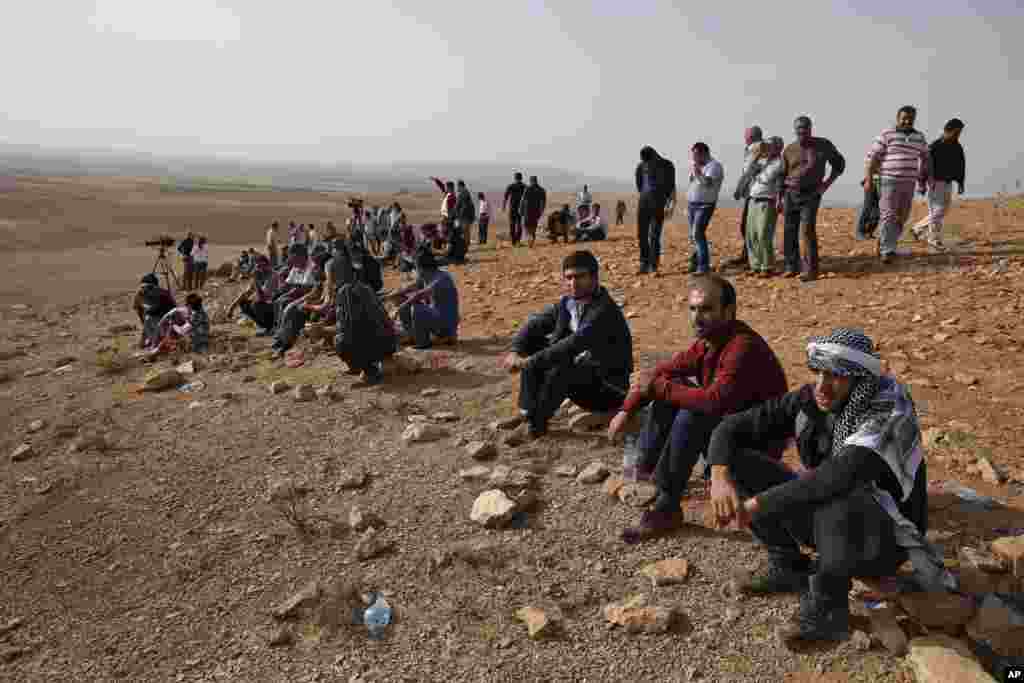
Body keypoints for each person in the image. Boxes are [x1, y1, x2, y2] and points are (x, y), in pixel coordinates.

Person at [706, 328, 953, 647]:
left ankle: (827, 612)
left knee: (839, 490)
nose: (823, 385)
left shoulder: (888, 413)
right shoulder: (813, 400)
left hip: (880, 539)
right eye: (819, 372)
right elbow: (732, 426)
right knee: (737, 461)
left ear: (859, 379)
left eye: (836, 376)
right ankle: (787, 566)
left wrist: (755, 506)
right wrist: (719, 475)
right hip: (831, 525)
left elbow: (838, 477)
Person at [613, 275, 788, 543]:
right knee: (672, 387)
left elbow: (712, 402)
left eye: (706, 309)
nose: (696, 317)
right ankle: (650, 472)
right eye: (693, 309)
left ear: (728, 312)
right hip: (727, 434)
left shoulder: (742, 347)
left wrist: (656, 387)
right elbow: (664, 371)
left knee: (693, 411)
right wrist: (627, 410)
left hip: (757, 449)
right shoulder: (710, 341)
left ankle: (666, 506)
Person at [502, 250, 633, 440]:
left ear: (594, 277)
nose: (573, 283)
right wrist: (515, 351)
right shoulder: (568, 303)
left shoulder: (603, 310)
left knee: (562, 365)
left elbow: (572, 345)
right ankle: (526, 413)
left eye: (580, 277)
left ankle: (535, 425)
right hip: (585, 378)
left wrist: (529, 362)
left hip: (609, 389)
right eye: (568, 278)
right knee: (535, 346)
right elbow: (534, 324)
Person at [780, 116, 846, 281]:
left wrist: (827, 184)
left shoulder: (823, 145)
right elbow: (781, 175)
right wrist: (778, 198)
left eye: (805, 128)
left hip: (811, 194)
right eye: (799, 128)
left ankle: (810, 270)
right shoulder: (789, 150)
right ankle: (791, 266)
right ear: (795, 130)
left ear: (811, 128)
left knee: (807, 230)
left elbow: (839, 164)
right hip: (790, 194)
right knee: (789, 230)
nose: (802, 131)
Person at [864, 105, 931, 265]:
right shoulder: (887, 134)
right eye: (904, 118)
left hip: (909, 182)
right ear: (897, 118)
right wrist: (868, 179)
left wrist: (922, 180)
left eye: (910, 119)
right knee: (888, 215)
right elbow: (873, 157)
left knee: (902, 217)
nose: (907, 121)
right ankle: (887, 250)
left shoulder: (919, 137)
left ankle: (886, 243)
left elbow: (926, 158)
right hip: (888, 180)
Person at [335, 262, 398, 386]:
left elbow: (343, 323)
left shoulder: (349, 292)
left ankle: (369, 371)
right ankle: (362, 367)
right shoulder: (362, 291)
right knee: (345, 338)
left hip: (377, 342)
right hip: (383, 341)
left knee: (343, 339)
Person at [910, 118, 966, 252]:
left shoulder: (956, 146)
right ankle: (929, 236)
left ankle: (922, 231)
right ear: (948, 130)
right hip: (934, 183)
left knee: (941, 211)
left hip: (948, 183)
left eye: (960, 133)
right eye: (956, 132)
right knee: (938, 211)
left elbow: (960, 165)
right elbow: (924, 165)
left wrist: (960, 183)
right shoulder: (935, 146)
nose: (958, 135)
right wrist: (922, 183)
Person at [391, 247, 460, 350]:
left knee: (417, 310)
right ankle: (410, 334)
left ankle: (423, 342)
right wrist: (387, 297)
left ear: (421, 267)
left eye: (416, 267)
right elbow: (408, 288)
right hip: (436, 316)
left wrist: (397, 310)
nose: (415, 270)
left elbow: (419, 295)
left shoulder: (441, 278)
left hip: (446, 325)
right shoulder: (426, 276)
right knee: (399, 298)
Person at [740, 137, 785, 276]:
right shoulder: (762, 160)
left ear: (778, 148)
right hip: (754, 199)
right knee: (750, 234)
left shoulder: (779, 162)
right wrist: (755, 157)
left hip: (767, 200)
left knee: (763, 234)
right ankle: (755, 265)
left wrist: (779, 200)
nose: (767, 148)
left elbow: (771, 179)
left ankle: (767, 266)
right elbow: (747, 171)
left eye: (770, 146)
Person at [635, 146, 677, 274]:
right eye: (644, 161)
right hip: (643, 203)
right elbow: (639, 184)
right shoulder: (641, 166)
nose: (646, 163)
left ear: (654, 156)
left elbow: (671, 185)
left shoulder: (667, 165)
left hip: (659, 204)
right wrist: (645, 195)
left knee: (654, 235)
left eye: (648, 160)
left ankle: (653, 265)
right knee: (641, 234)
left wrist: (669, 203)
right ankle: (644, 263)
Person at [686, 143, 725, 275]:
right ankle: (695, 262)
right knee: (693, 236)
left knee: (697, 233)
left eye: (696, 155)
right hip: (692, 204)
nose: (694, 158)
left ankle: (703, 266)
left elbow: (708, 183)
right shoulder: (698, 166)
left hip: (704, 205)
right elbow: (693, 182)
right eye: (693, 155)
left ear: (704, 154)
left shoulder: (714, 166)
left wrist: (697, 173)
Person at [729, 125, 764, 268]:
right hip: (751, 193)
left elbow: (750, 171)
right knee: (746, 227)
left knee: (750, 228)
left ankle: (752, 258)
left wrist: (739, 188)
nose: (745, 138)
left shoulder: (757, 148)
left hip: (756, 193)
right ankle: (747, 255)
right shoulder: (751, 149)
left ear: (752, 136)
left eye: (747, 135)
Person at [133, 273, 176, 349]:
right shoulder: (141, 295)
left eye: (144, 287)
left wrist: (146, 308)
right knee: (148, 319)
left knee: (149, 319)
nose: (142, 289)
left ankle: (156, 341)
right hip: (157, 321)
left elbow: (155, 310)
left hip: (166, 322)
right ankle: (151, 340)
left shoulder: (160, 294)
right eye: (142, 287)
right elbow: (139, 310)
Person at [449, 179, 474, 263]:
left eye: (458, 187)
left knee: (464, 233)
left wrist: (453, 214)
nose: (457, 189)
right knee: (466, 233)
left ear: (460, 186)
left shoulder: (463, 193)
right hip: (466, 217)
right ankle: (465, 249)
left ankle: (464, 250)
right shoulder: (466, 192)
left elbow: (458, 205)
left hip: (464, 217)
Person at [520, 176, 547, 248]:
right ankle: (531, 238)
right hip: (536, 211)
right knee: (533, 226)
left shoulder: (528, 189)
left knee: (526, 226)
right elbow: (544, 202)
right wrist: (541, 211)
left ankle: (529, 238)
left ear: (531, 181)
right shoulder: (541, 190)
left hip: (527, 211)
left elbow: (522, 200)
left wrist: (521, 210)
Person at [503, 172, 528, 246]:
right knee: (519, 224)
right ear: (521, 178)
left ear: (515, 178)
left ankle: (513, 241)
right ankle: (518, 240)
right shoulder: (525, 186)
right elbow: (527, 198)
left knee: (512, 224)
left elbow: (505, 197)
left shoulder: (511, 186)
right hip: (521, 208)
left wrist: (504, 206)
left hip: (512, 208)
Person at [854, 175, 881, 242]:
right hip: (873, 181)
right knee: (867, 208)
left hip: (883, 182)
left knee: (877, 212)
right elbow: (870, 165)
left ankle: (868, 233)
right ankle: (860, 233)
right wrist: (868, 180)